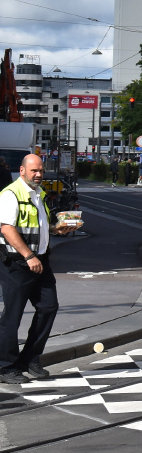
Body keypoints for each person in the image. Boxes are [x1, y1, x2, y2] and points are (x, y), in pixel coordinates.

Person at [0, 155, 72, 382]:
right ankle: (5, 366)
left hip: (40, 261)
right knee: (12, 316)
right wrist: (28, 255)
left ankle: (30, 358)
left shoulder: (39, 194)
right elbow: (6, 229)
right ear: (22, 170)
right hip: (17, 263)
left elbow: (38, 226)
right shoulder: (11, 194)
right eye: (34, 171)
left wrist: (56, 230)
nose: (39, 174)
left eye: (41, 170)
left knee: (49, 307)